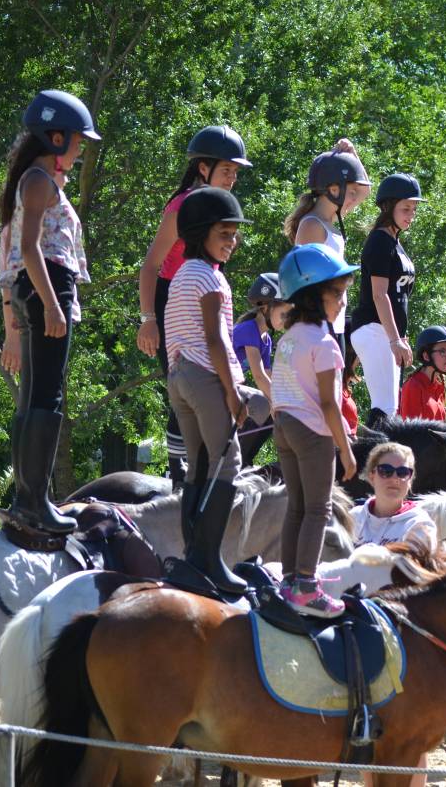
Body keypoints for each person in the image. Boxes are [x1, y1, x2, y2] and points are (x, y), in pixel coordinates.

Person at [0, 89, 100, 534]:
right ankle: (35, 502)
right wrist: (54, 305)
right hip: (46, 285)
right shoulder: (39, 181)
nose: (80, 149)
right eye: (78, 140)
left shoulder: (37, 179)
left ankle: (27, 498)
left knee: (33, 394)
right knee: (47, 394)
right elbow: (29, 248)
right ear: (55, 137)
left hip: (36, 288)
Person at [163, 187, 271, 593]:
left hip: (179, 377)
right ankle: (209, 559)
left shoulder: (181, 275)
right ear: (200, 233)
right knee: (227, 463)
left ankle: (194, 554)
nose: (233, 241)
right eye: (224, 233)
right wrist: (234, 390)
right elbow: (217, 341)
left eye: (234, 234)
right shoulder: (212, 280)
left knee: (200, 466)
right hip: (206, 377)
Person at [137, 125, 252, 486]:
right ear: (203, 168)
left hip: (204, 292)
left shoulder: (220, 207)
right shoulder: (184, 206)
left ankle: (203, 466)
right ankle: (178, 472)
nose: (232, 177)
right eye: (226, 170)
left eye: (236, 172)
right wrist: (148, 318)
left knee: (214, 380)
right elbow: (151, 264)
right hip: (173, 294)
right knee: (188, 377)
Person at [272, 244, 361, 616]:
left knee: (297, 506)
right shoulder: (325, 344)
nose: (343, 301)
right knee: (319, 509)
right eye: (336, 294)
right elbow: (330, 404)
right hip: (313, 430)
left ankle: (289, 580)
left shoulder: (290, 337)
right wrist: (346, 448)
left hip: (284, 424)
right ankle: (306, 586)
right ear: (312, 295)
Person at [351, 173, 421, 425]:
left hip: (387, 333)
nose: (411, 214)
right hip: (374, 329)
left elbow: (399, 297)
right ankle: (369, 464)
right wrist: (394, 339)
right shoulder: (380, 241)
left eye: (414, 209)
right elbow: (379, 295)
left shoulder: (395, 241)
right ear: (388, 207)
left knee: (390, 410)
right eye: (405, 208)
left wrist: (400, 337)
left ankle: (377, 462)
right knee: (384, 409)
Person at [282, 143, 371, 340]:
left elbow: (365, 191)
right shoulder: (312, 226)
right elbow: (305, 285)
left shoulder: (329, 220)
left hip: (334, 325)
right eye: (351, 191)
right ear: (333, 189)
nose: (355, 198)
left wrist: (353, 156)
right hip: (318, 327)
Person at [232, 273, 290, 465]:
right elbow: (258, 375)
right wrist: (279, 402)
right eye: (283, 314)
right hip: (214, 383)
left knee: (271, 407)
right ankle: (238, 453)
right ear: (265, 308)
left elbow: (268, 375)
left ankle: (246, 458)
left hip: (228, 386)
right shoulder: (250, 329)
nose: (286, 320)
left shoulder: (266, 339)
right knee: (262, 403)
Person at [350, 442, 438, 549]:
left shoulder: (419, 526)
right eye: (386, 471)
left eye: (403, 472)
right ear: (372, 476)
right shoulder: (352, 518)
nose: (395, 478)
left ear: (410, 481)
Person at [399, 326, 446, 421]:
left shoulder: (440, 386)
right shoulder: (413, 386)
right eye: (442, 351)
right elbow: (411, 433)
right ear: (426, 356)